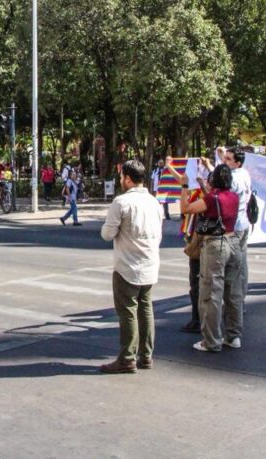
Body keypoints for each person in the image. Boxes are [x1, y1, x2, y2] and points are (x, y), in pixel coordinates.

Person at [97, 160, 164, 373]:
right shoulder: (155, 202)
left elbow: (107, 234)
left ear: (127, 178)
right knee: (146, 310)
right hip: (150, 264)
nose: (120, 180)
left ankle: (127, 358)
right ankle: (146, 356)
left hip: (128, 266)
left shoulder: (121, 202)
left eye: (121, 176)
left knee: (128, 312)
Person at [172, 163, 242, 352]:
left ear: (214, 180)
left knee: (211, 292)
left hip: (215, 244)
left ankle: (211, 340)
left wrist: (185, 186)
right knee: (232, 292)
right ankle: (233, 335)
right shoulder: (233, 197)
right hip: (233, 241)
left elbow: (186, 208)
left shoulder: (212, 198)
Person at [219, 147, 252, 296]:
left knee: (233, 267)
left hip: (235, 226)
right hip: (243, 223)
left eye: (228, 159)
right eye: (224, 158)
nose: (224, 161)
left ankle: (235, 300)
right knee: (241, 263)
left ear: (238, 163)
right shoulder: (244, 173)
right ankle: (240, 297)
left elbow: (221, 196)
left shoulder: (233, 179)